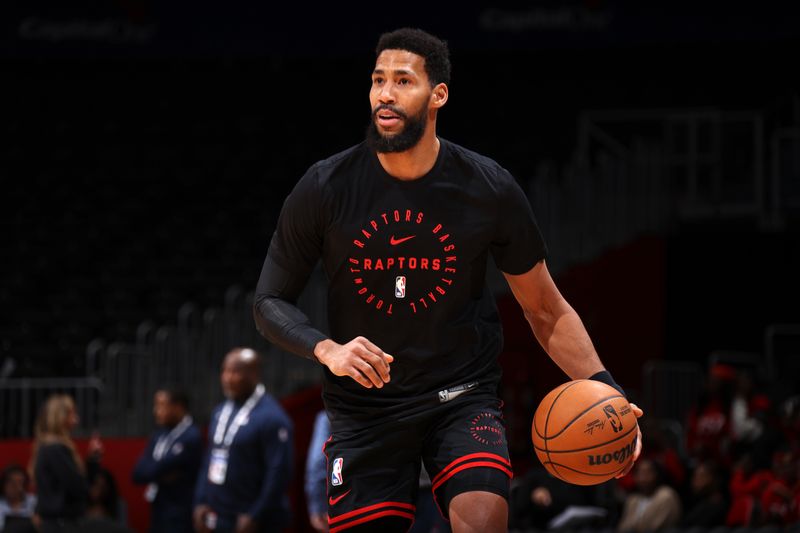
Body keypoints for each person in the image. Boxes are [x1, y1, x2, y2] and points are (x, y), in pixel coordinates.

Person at [253, 27, 642, 533]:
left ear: (438, 95)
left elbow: (545, 308)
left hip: (460, 395)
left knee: (482, 520)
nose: (385, 94)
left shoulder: (488, 188)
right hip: (364, 408)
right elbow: (268, 301)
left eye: (402, 81)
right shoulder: (325, 186)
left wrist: (604, 388)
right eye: (377, 80)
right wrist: (327, 349)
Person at [193, 348, 293, 533]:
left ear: (254, 374)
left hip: (252, 521)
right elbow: (209, 458)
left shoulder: (272, 417)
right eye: (224, 371)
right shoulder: (220, 412)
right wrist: (200, 501)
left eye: (235, 371)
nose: (227, 377)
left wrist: (256, 514)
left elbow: (279, 472)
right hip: (218, 516)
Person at [132, 386, 202, 533]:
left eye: (161, 405)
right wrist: (161, 473)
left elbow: (156, 468)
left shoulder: (191, 436)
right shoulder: (159, 435)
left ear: (178, 407)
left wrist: (156, 470)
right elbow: (138, 473)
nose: (156, 411)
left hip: (180, 512)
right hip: (158, 509)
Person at [30, 394, 103, 533]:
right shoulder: (55, 449)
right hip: (61, 524)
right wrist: (92, 463)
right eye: (72, 413)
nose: (77, 419)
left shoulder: (47, 447)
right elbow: (77, 486)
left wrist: (92, 460)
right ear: (60, 417)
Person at [617, 458, 682, 532]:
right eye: (640, 473)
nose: (643, 478)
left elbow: (655, 527)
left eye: (647, 473)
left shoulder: (666, 495)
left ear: (657, 474)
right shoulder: (633, 499)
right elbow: (622, 527)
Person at [305, 411, 331, 533]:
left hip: (342, 505)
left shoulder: (328, 416)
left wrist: (318, 507)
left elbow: (318, 461)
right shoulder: (391, 407)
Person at [0, 464, 37, 533]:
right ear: (3, 484)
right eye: (13, 484)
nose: (19, 488)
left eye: (21, 483)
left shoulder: (33, 502)